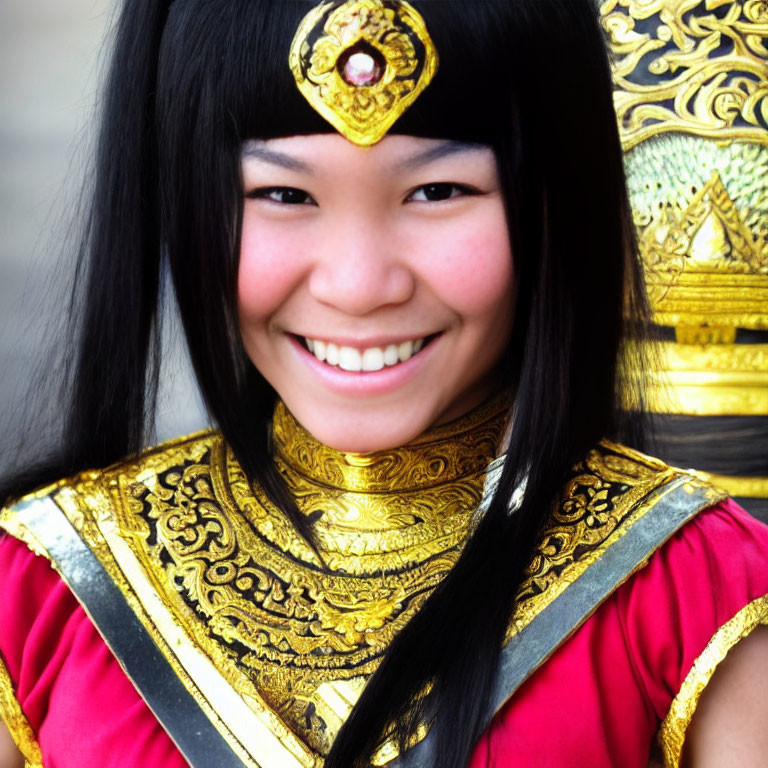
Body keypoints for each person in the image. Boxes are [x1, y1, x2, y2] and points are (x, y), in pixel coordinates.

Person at [1, 1, 767, 767]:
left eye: (437, 191)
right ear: (183, 206)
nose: (360, 286)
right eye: (283, 194)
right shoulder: (37, 592)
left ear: (553, 204)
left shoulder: (695, 592)